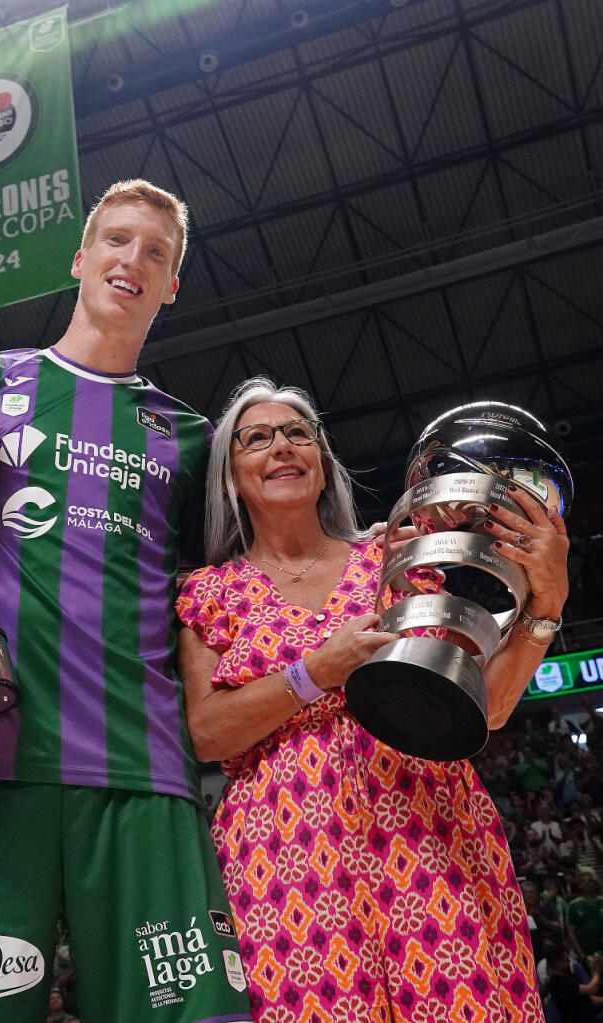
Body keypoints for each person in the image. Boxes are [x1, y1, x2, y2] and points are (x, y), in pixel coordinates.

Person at [0, 180, 252, 1023]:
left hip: (142, 776)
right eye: (115, 240)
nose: (131, 261)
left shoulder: (187, 437)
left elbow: (223, 601)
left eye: (156, 252)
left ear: (172, 283)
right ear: (79, 257)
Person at [176, 377, 570, 1022]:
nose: (282, 446)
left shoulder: (399, 561)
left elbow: (489, 708)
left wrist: (546, 604)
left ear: (324, 464)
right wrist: (317, 670)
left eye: (299, 434)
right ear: (229, 477)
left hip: (431, 832)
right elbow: (206, 734)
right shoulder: (209, 594)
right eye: (257, 438)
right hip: (285, 855)